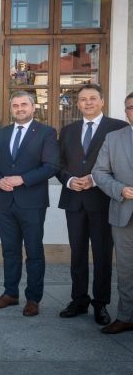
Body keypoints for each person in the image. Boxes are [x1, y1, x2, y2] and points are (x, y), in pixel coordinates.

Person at [57, 84, 127, 326]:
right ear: (77, 104)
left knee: (102, 254)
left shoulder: (118, 128)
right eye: (83, 99)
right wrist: (69, 180)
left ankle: (101, 304)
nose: (88, 102)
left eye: (93, 98)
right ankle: (79, 300)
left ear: (102, 101)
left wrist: (95, 179)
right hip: (74, 200)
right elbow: (59, 164)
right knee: (77, 254)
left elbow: (122, 166)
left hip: (103, 201)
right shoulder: (67, 130)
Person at [0, 91, 60, 317]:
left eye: (24, 104)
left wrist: (23, 179)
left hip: (32, 202)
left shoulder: (46, 133)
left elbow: (51, 166)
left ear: (33, 107)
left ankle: (33, 298)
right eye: (15, 105)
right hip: (5, 202)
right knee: (10, 251)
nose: (19, 108)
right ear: (11, 109)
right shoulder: (0, 134)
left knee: (34, 251)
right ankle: (10, 293)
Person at [92, 91, 133, 334]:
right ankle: (126, 316)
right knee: (126, 269)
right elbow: (99, 172)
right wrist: (120, 189)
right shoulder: (114, 138)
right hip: (123, 211)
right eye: (130, 107)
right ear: (125, 111)